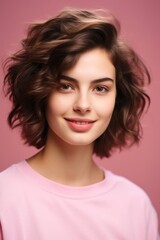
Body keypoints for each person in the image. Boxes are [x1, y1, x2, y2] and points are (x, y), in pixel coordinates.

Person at [0, 8, 159, 240]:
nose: (83, 105)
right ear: (40, 91)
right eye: (66, 85)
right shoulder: (5, 198)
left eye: (100, 88)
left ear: (117, 98)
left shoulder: (136, 207)